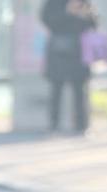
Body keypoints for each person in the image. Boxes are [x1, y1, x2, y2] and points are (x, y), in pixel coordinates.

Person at [41, 0, 98, 134]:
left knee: (80, 90)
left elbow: (94, 24)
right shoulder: (53, 3)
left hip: (79, 52)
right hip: (58, 51)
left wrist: (85, 14)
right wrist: (67, 12)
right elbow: (47, 20)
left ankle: (81, 125)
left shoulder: (83, 2)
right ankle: (53, 124)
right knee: (56, 89)